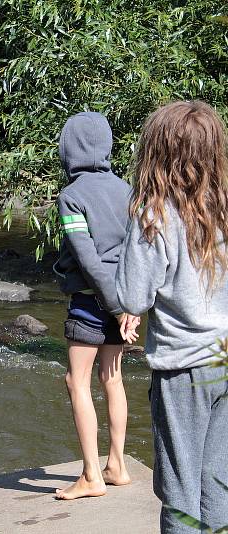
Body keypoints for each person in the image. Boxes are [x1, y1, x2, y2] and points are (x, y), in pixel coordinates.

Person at [116, 101, 228, 533]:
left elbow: (132, 294)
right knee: (218, 485)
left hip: (183, 370)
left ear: (156, 153)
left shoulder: (154, 216)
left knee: (180, 494)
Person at [52, 111, 140, 500]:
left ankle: (91, 476)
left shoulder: (71, 196)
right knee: (113, 378)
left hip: (91, 304)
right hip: (125, 301)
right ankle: (117, 465)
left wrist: (116, 307)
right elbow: (139, 250)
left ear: (67, 150)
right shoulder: (127, 190)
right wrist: (129, 305)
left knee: (77, 382)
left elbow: (87, 260)